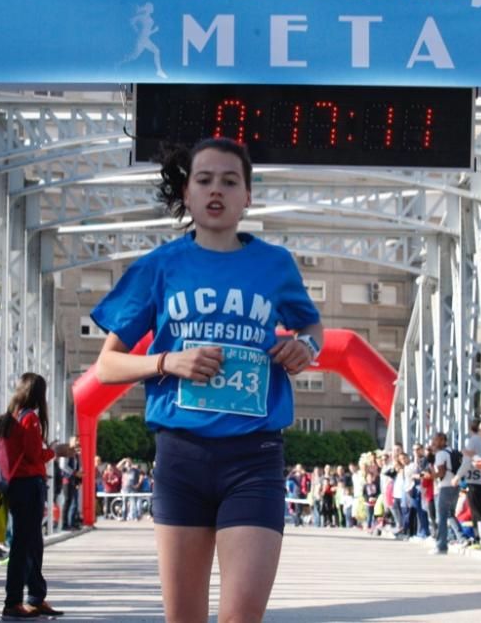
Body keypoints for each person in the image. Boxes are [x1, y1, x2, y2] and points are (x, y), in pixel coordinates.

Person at [91, 137, 323, 622]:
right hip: (181, 457)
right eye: (204, 180)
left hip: (254, 457)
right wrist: (165, 362)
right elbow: (107, 366)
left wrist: (307, 347)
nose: (216, 190)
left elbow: (310, 327)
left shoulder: (274, 264)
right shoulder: (159, 267)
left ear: (248, 196)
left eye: (229, 181)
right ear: (188, 193)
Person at [0, 372, 74, 620]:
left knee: (30, 543)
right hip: (29, 484)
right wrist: (55, 451)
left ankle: (34, 596)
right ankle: (15, 600)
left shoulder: (12, 418)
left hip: (18, 484)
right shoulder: (30, 419)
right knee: (25, 545)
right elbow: (33, 455)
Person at [429, 433, 457, 555]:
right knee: (450, 515)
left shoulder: (440, 454)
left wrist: (430, 476)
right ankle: (460, 537)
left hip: (445, 486)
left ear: (442, 441)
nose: (433, 444)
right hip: (455, 486)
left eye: (435, 441)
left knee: (442, 517)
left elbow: (441, 472)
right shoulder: (452, 451)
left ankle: (441, 545)